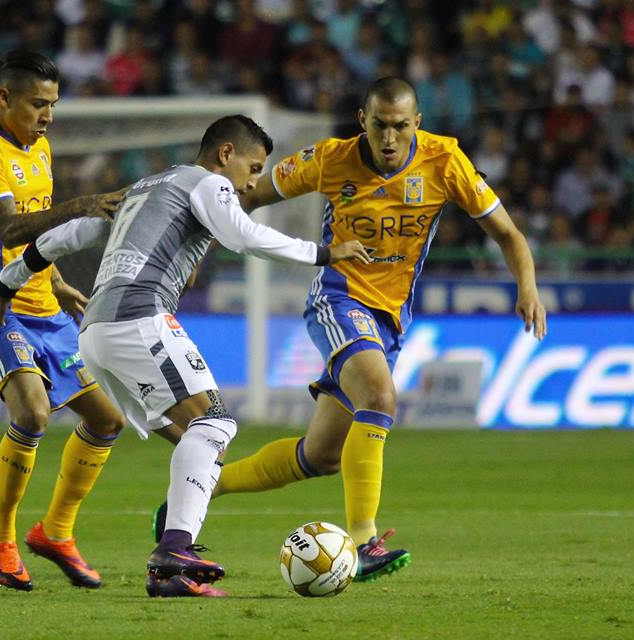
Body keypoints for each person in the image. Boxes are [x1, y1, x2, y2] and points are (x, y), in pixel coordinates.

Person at [154, 77, 548, 583]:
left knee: (320, 457)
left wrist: (528, 286)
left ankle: (200, 489)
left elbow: (509, 235)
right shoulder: (329, 158)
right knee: (380, 397)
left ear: (417, 124)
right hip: (338, 300)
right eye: (379, 125)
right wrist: (196, 253)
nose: (389, 138)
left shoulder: (445, 162)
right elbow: (245, 197)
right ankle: (364, 542)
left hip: (390, 319)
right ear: (363, 120)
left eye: (400, 127)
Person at [0, 115, 370, 597]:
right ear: (225, 154)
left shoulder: (146, 186)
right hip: (138, 318)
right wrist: (324, 254)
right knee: (216, 424)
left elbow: (64, 237)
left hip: (98, 332)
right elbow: (243, 236)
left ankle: (170, 574)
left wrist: (6, 282)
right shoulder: (208, 183)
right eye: (252, 167)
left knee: (201, 438)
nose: (253, 181)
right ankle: (173, 547)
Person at [0, 50, 128, 592]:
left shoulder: (40, 147)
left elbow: (33, 238)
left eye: (52, 104)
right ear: (4, 97)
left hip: (44, 308)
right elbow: (8, 229)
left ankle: (55, 532)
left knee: (106, 420)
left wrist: (52, 280)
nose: (48, 115)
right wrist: (84, 205)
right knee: (31, 412)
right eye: (37, 104)